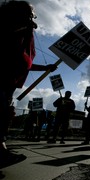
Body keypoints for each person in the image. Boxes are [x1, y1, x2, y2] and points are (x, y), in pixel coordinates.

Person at [0, 1, 57, 166]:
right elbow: (16, 58)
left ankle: (2, 152)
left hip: (9, 82)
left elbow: (24, 63)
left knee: (3, 116)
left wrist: (44, 68)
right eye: (30, 15)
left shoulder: (21, 32)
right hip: (3, 80)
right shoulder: (11, 31)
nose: (32, 19)